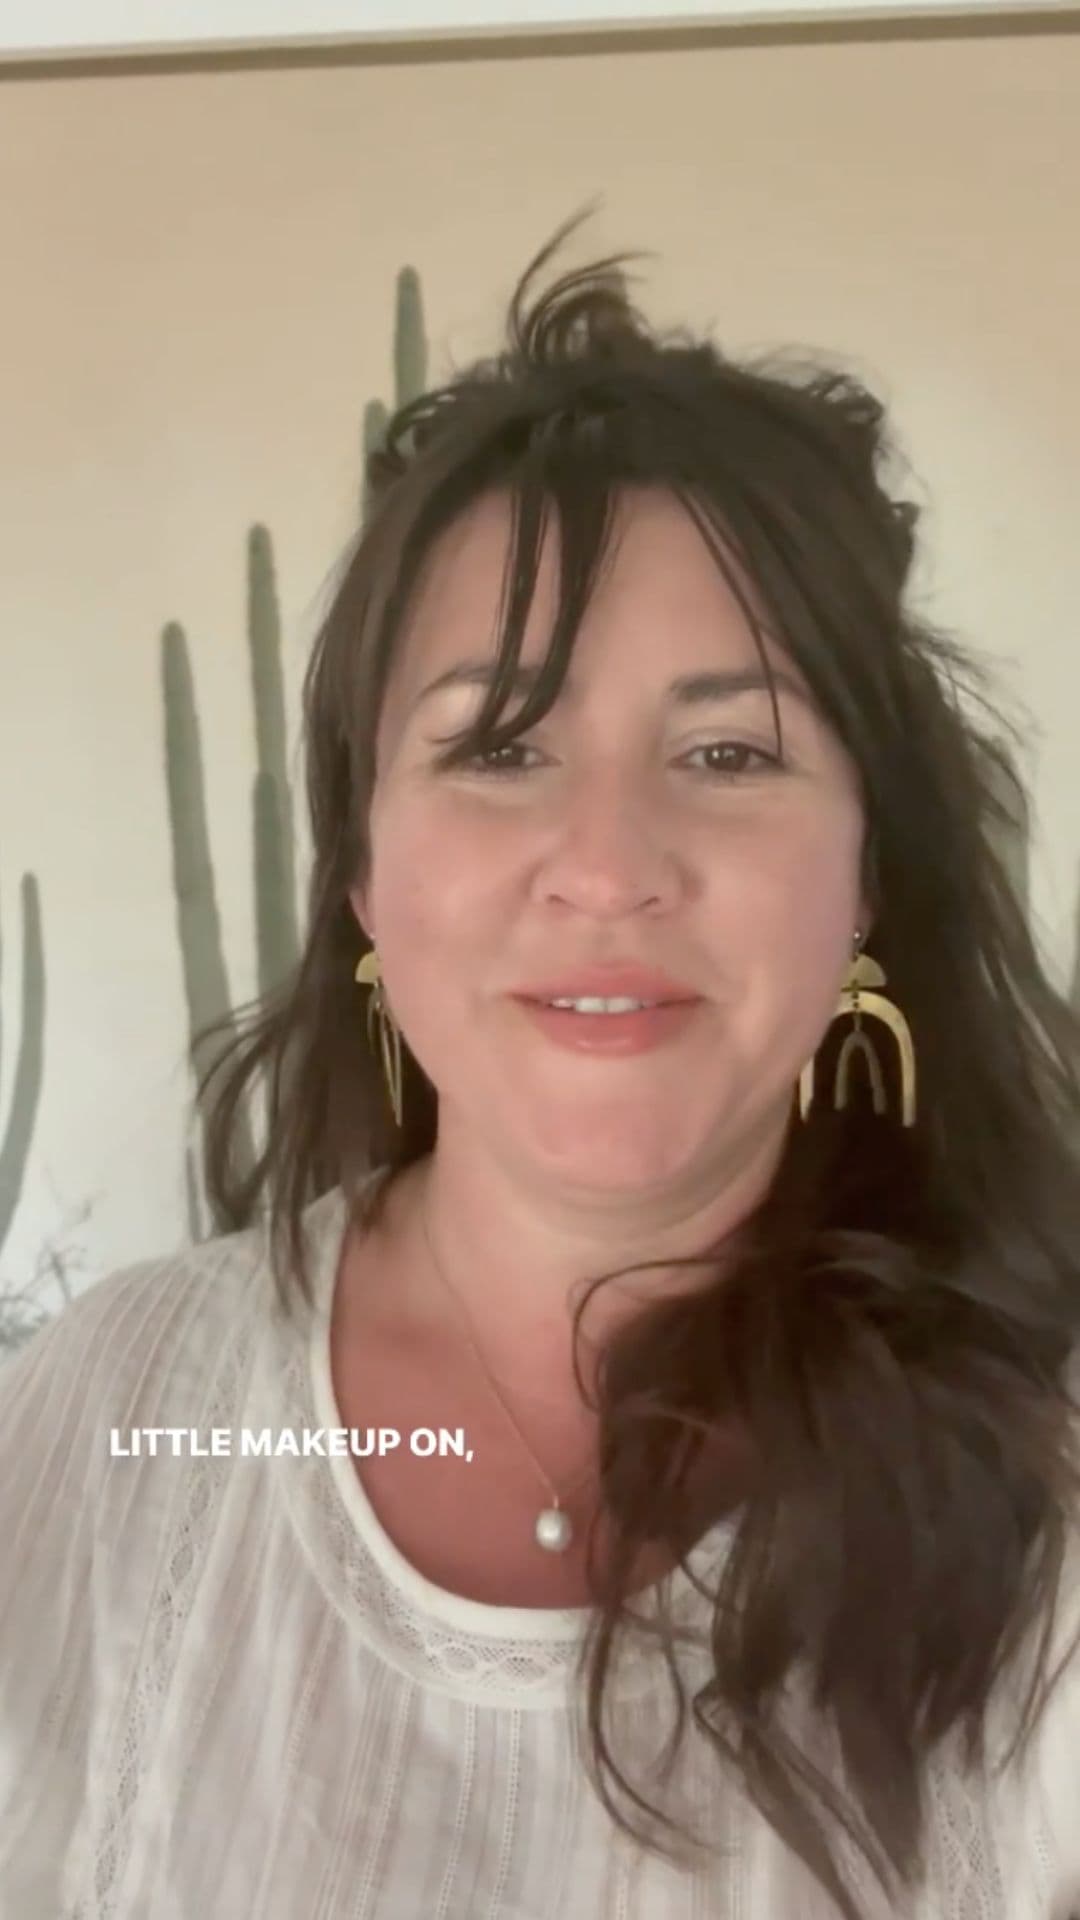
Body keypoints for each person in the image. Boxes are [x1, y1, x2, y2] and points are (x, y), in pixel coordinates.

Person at [2, 211, 1080, 1920]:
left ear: (872, 876)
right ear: (360, 871)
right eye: (498, 745)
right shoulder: (110, 1420)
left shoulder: (1052, 1484)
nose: (607, 861)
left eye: (729, 749)